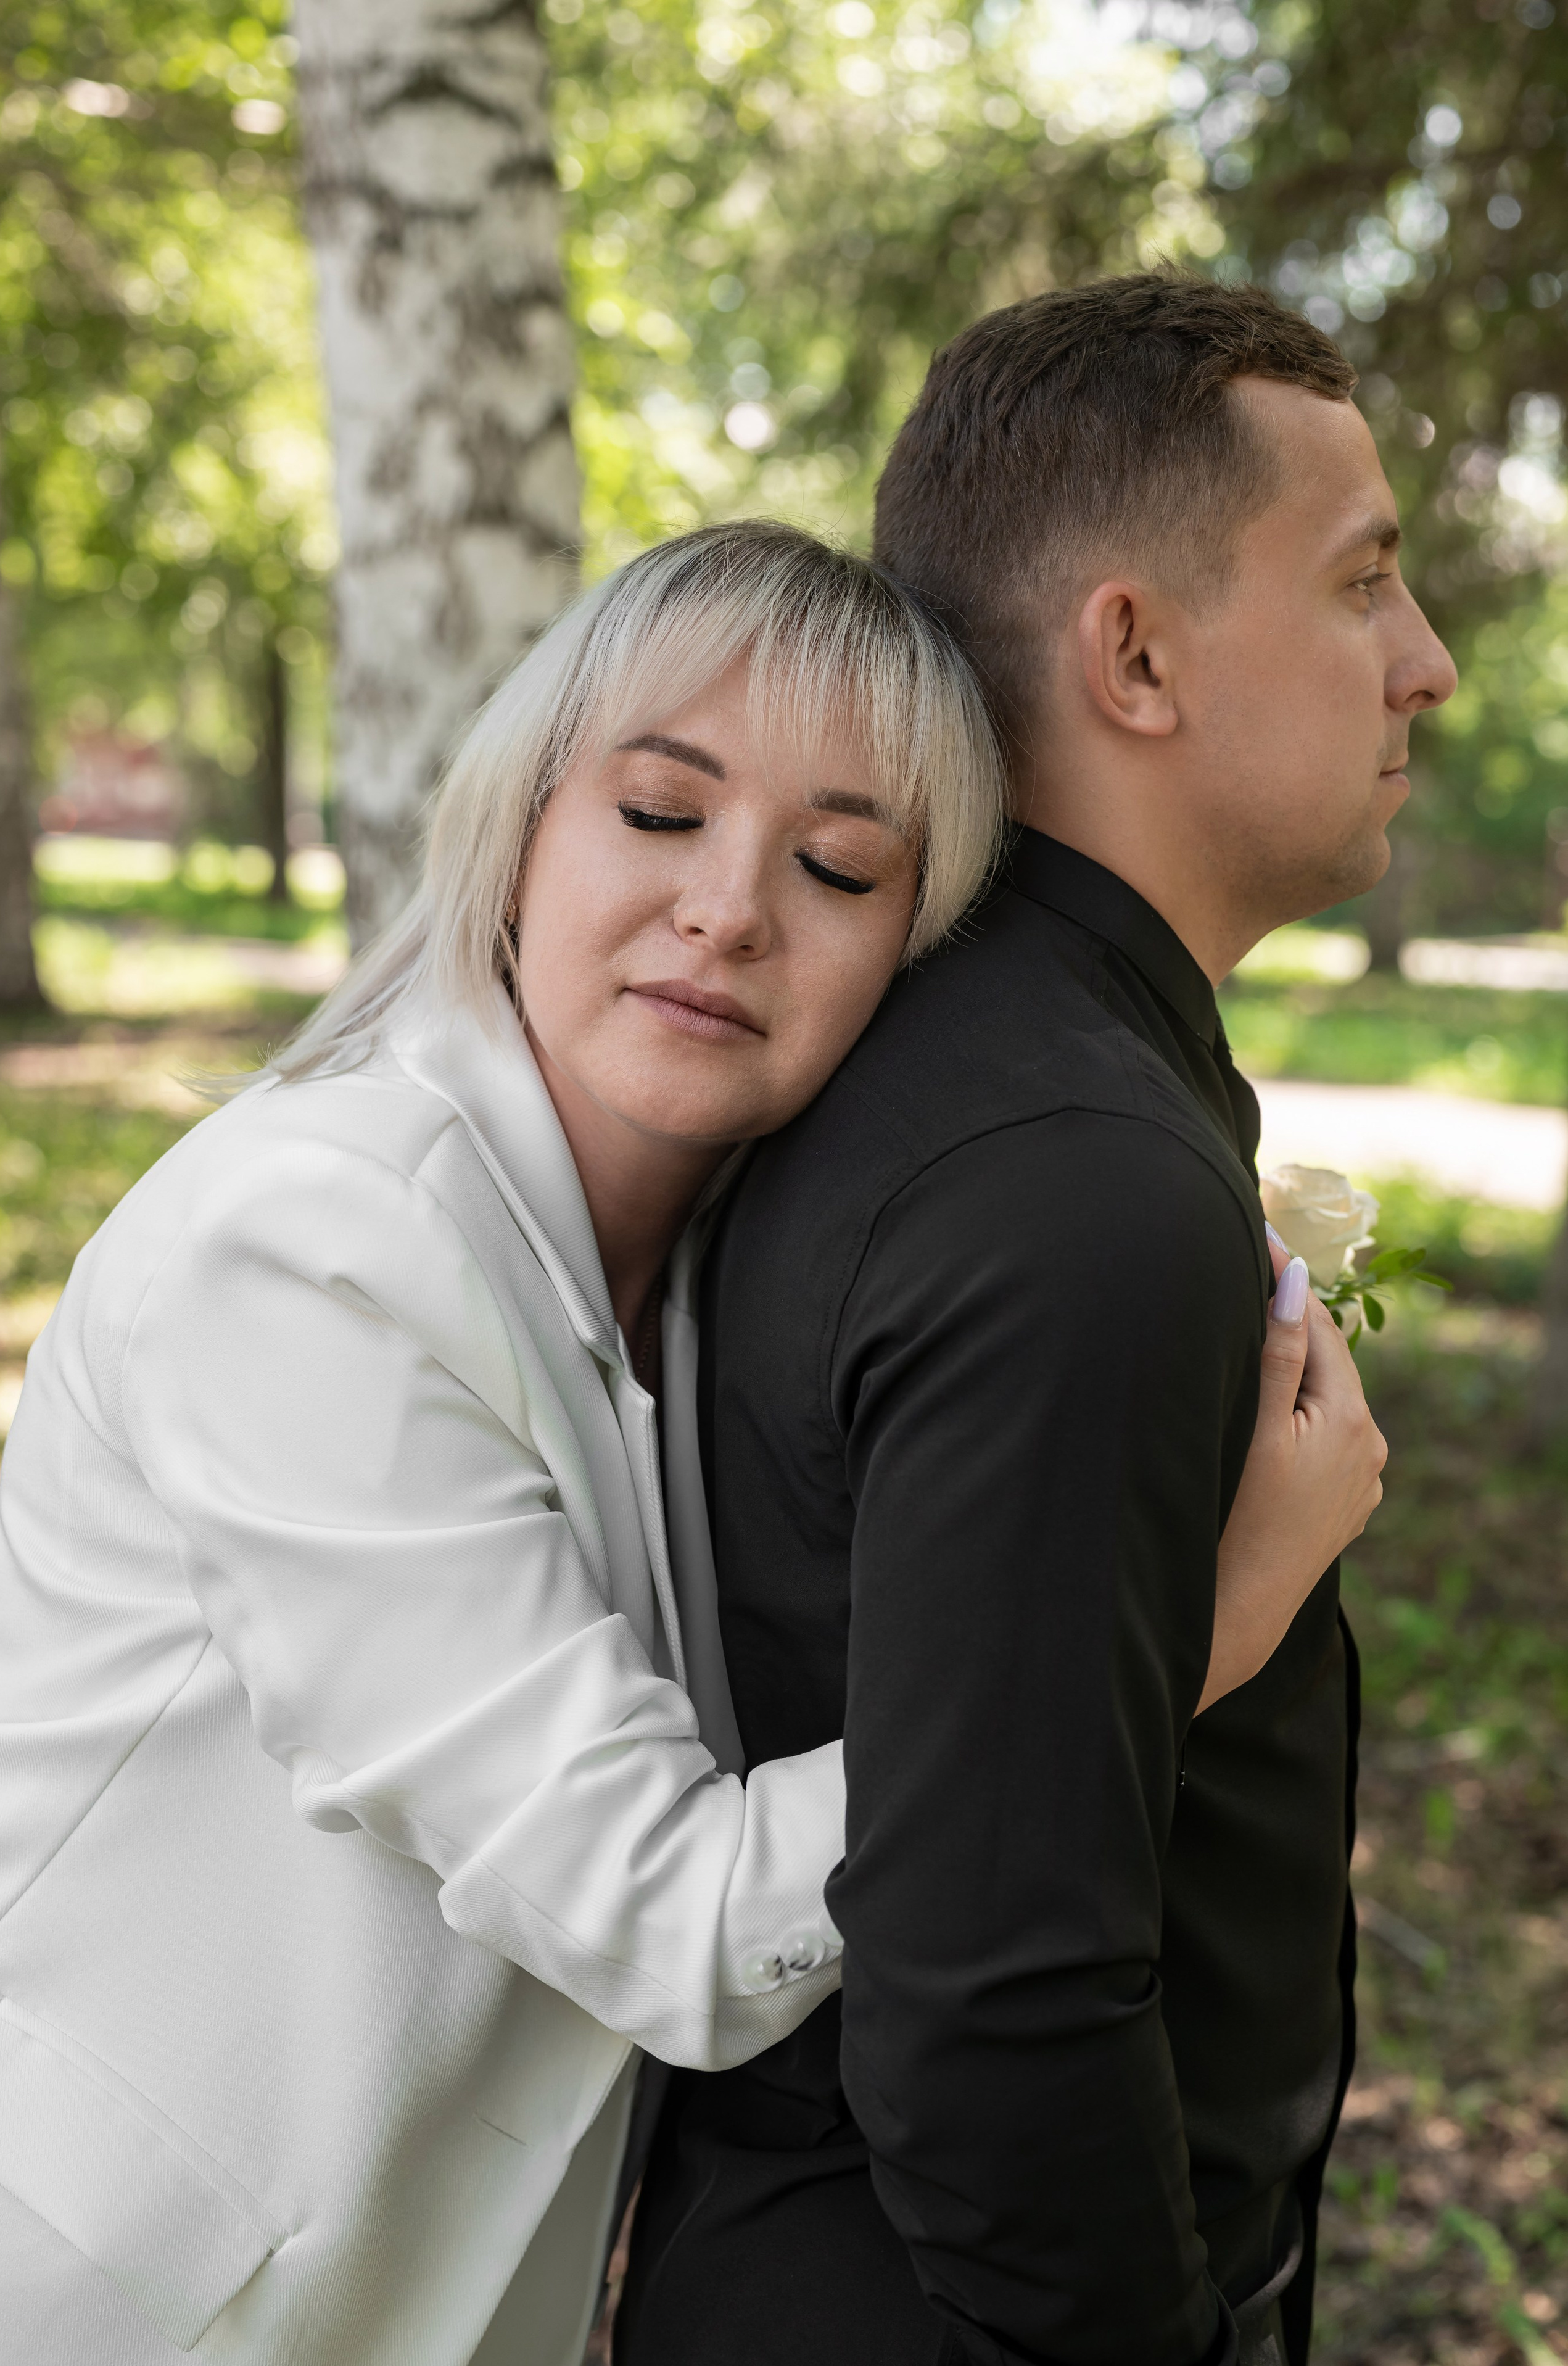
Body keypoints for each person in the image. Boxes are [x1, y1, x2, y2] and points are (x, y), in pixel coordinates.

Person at [0, 513, 1376, 2366]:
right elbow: (674, 1912)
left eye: (837, 863)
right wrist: (1181, 1632)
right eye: (658, 813)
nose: (731, 906)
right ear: (520, 824)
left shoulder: (733, 1280)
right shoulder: (310, 1250)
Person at [616, 276, 1455, 2366]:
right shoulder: (1063, 1173)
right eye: (1364, 581)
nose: (1427, 664)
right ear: (1137, 653)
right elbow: (994, 2002)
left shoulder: (974, 1060)